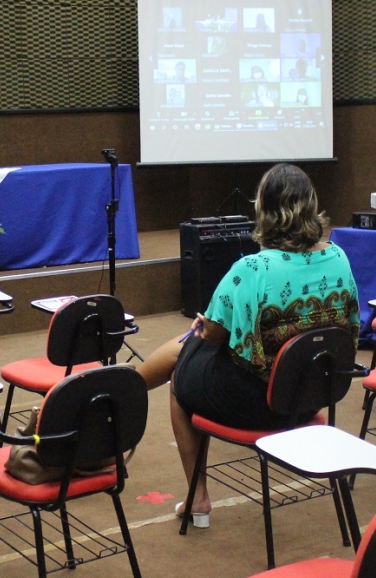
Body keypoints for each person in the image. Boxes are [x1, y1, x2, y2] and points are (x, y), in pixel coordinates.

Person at [135, 164, 360, 527]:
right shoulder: (339, 257)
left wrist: (206, 327)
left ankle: (198, 496)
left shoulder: (253, 268)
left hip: (262, 402)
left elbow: (213, 335)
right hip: (313, 394)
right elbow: (349, 322)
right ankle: (127, 385)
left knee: (183, 369)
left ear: (265, 211)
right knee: (188, 348)